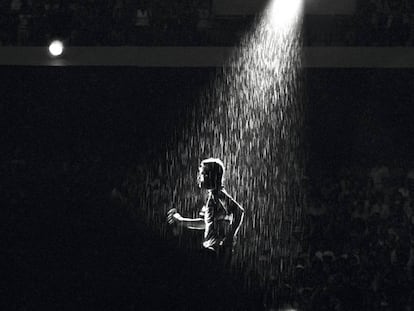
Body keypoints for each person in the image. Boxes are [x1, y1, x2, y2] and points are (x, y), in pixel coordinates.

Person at [167, 158, 244, 268]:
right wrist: (181, 221)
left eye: (202, 174)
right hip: (214, 249)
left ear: (210, 176)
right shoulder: (213, 196)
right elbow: (205, 223)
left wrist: (229, 238)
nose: (199, 178)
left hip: (216, 250)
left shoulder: (218, 194)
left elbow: (238, 212)